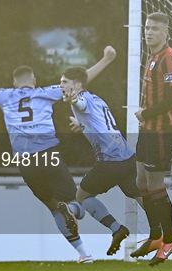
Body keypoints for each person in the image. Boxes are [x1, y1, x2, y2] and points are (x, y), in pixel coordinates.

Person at [0, 46, 116, 263]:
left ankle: (84, 254)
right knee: (76, 207)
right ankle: (70, 209)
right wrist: (106, 60)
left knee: (53, 208)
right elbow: (78, 81)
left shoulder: (4, 95)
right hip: (49, 155)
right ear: (34, 80)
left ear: (14, 82)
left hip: (26, 162)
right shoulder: (46, 92)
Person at [61, 66, 152, 258]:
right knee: (141, 196)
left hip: (110, 161)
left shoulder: (82, 99)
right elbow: (99, 122)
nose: (61, 85)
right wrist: (82, 125)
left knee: (81, 197)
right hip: (127, 157)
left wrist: (74, 100)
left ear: (77, 84)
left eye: (64, 82)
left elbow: (81, 103)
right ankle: (169, 234)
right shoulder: (97, 98)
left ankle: (117, 229)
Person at [131, 12, 172, 266]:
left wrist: (146, 112)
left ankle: (170, 239)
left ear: (165, 32)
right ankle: (155, 234)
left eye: (155, 28)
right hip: (147, 129)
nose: (149, 32)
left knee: (155, 184)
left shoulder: (169, 59)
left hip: (162, 131)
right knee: (140, 180)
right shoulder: (153, 57)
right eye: (147, 28)